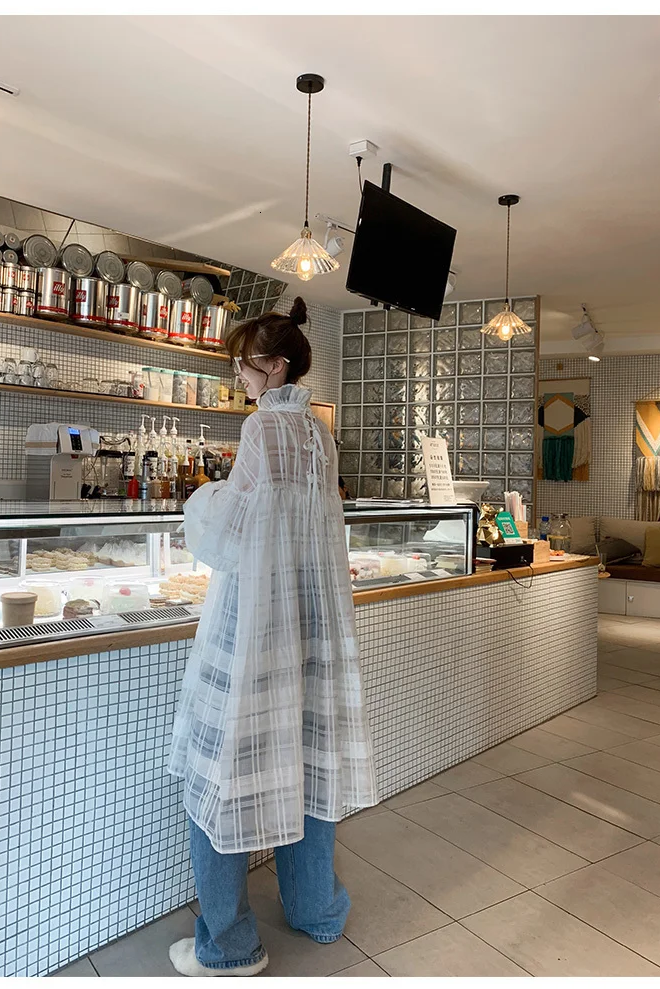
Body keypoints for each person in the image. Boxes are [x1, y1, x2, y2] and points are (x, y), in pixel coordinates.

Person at [167, 297, 378, 977]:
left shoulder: (262, 427)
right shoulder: (319, 432)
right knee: (306, 766)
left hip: (255, 624)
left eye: (245, 362)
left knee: (222, 771)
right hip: (311, 624)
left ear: (276, 365)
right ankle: (318, 911)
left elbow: (230, 530)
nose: (239, 373)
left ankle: (229, 945)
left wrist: (199, 500)